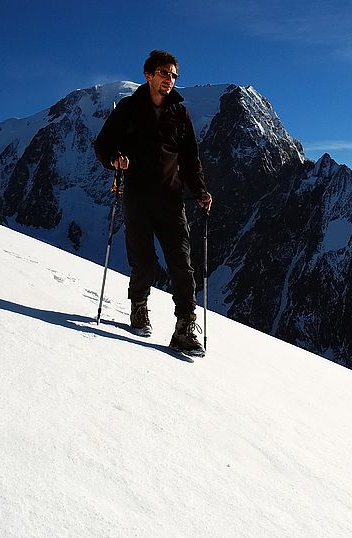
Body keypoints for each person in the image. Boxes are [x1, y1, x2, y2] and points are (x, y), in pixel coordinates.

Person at [93, 50, 212, 355]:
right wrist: (113, 159)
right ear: (148, 75)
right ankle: (139, 307)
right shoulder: (129, 109)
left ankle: (185, 326)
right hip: (138, 196)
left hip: (172, 199)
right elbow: (103, 144)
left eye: (173, 75)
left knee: (182, 265)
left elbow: (190, 158)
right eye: (163, 73)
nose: (169, 80)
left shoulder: (180, 113)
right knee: (143, 261)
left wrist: (199, 191)